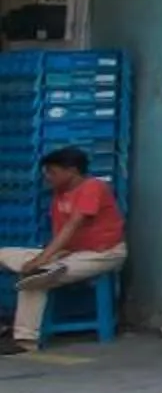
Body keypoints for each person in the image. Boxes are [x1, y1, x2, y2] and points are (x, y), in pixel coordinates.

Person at [2, 146, 128, 353]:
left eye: (52, 172)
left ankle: (25, 340)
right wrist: (49, 255)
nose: (48, 177)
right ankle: (45, 269)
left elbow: (73, 225)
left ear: (71, 170)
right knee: (6, 254)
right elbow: (61, 234)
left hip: (103, 253)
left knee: (35, 278)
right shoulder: (59, 195)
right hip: (70, 254)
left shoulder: (92, 187)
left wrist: (43, 258)